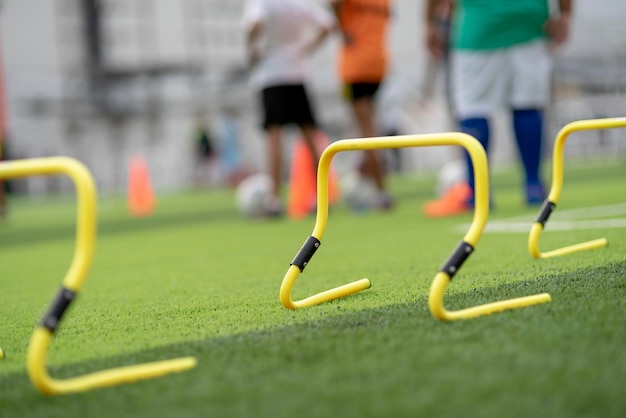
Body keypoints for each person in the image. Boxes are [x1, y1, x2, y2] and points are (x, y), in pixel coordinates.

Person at [422, 0, 572, 217]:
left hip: (479, 27)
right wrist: (565, 13)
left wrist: (430, 23)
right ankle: (533, 186)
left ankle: (477, 193)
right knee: (527, 104)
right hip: (529, 22)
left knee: (473, 109)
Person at [242, 0, 335, 217]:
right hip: (297, 73)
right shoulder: (299, 2)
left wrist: (251, 48)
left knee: (274, 137)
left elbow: (255, 24)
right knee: (310, 136)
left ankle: (274, 200)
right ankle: (320, 197)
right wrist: (306, 48)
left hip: (271, 75)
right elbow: (328, 25)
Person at [331, 0, 394, 210]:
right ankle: (369, 177)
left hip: (356, 65)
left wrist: (343, 30)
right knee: (370, 126)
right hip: (378, 63)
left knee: (367, 131)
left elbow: (333, 3)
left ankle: (381, 190)